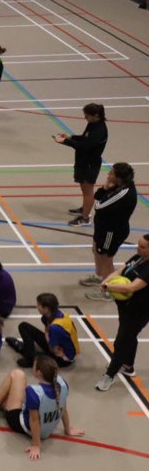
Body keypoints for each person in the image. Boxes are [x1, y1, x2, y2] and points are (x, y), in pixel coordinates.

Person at [0, 356, 83, 459]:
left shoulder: (34, 392)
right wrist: (67, 429)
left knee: (17, 374)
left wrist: (36, 445)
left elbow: (34, 420)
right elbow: (63, 407)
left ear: (38, 373)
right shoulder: (63, 385)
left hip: (18, 421)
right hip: (46, 428)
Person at [95, 234, 149, 391]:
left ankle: (109, 376)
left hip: (139, 310)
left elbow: (132, 287)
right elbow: (120, 271)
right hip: (125, 306)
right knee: (129, 336)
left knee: (121, 342)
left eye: (142, 247)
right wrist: (106, 280)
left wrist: (109, 287)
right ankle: (128, 366)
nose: (138, 248)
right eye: (138, 245)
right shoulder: (138, 258)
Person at [82, 163, 138, 300]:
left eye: (111, 173)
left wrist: (105, 191)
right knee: (96, 249)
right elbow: (97, 195)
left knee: (106, 259)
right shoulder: (116, 187)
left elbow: (99, 206)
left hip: (111, 232)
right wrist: (106, 187)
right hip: (103, 227)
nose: (108, 174)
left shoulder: (124, 193)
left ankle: (108, 290)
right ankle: (99, 276)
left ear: (119, 178)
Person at [55, 103, 108, 227]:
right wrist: (70, 137)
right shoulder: (93, 124)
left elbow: (84, 147)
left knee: (88, 191)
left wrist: (65, 141)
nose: (85, 118)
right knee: (84, 189)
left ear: (96, 115)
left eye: (87, 116)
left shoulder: (99, 131)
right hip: (83, 161)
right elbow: (84, 138)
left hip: (90, 164)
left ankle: (85, 218)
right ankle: (85, 208)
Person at [6, 293, 79, 369]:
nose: (37, 307)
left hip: (63, 359)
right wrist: (48, 335)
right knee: (23, 326)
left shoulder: (55, 328)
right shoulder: (53, 314)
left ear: (46, 308)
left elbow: (54, 350)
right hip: (57, 345)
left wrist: (47, 335)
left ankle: (26, 353)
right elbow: (47, 331)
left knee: (27, 358)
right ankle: (29, 353)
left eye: (38, 305)